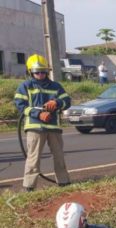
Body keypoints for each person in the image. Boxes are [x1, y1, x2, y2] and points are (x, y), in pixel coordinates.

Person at [14, 54, 71, 192]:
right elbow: (20, 105)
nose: (40, 74)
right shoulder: (25, 86)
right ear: (30, 72)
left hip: (53, 127)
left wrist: (56, 102)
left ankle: (64, 183)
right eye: (37, 72)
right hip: (35, 127)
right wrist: (38, 114)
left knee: (59, 157)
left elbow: (67, 101)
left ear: (47, 71)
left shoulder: (56, 86)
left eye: (43, 71)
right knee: (33, 159)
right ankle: (29, 187)